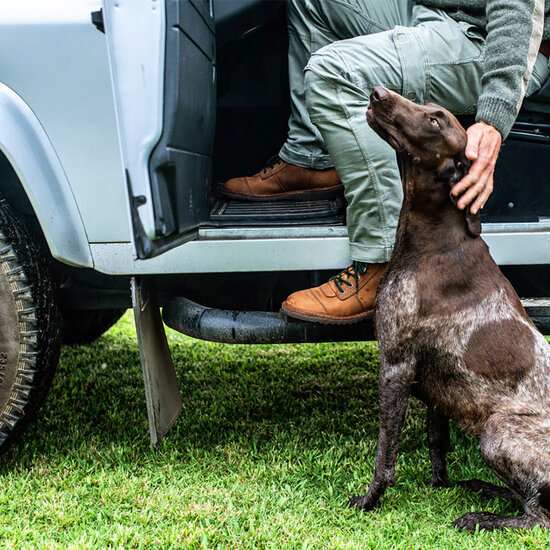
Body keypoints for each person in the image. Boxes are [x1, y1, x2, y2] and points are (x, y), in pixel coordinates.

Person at [222, 0, 550, 324]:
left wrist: (494, 117)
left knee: (333, 71)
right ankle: (312, 159)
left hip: (496, 40)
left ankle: (385, 262)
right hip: (441, 10)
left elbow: (516, 6)